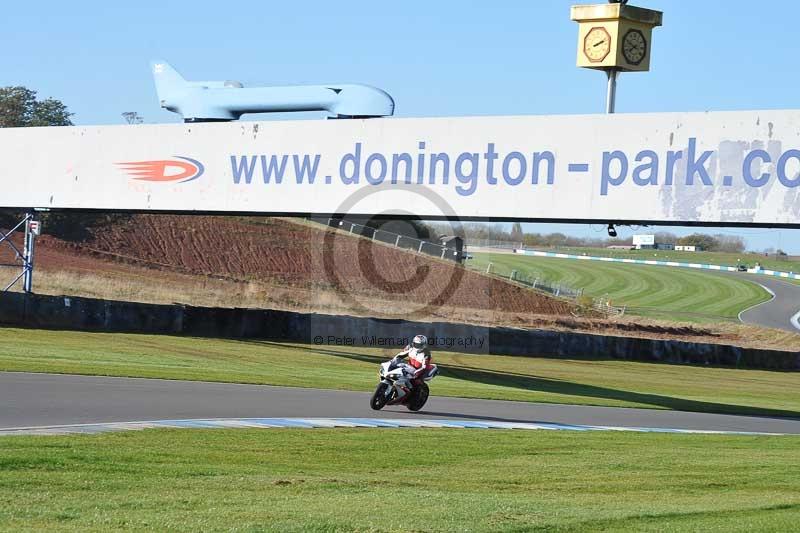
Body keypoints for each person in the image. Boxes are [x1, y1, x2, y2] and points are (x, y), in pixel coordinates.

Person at [391, 334, 433, 400]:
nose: (417, 346)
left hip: (419, 370)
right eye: (415, 344)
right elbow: (401, 354)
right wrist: (394, 360)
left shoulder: (426, 353)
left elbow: (424, 366)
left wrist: (417, 373)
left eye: (419, 345)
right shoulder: (410, 347)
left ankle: (414, 396)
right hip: (409, 367)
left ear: (424, 345)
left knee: (416, 382)